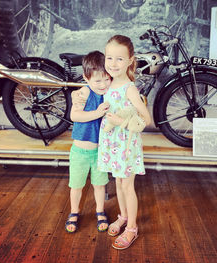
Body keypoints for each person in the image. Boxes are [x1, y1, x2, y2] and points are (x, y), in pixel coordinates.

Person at [97, 35, 152, 249]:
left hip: (126, 144)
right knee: (118, 183)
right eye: (109, 58)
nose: (113, 64)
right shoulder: (108, 84)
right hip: (113, 143)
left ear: (130, 60)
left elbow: (146, 119)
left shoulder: (129, 88)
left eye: (119, 59)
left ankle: (132, 227)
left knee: (128, 186)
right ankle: (123, 216)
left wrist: (121, 121)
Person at [66, 51, 111, 233]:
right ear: (86, 78)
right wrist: (98, 112)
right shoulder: (84, 92)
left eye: (107, 79)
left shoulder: (110, 93)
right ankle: (74, 211)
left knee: (99, 184)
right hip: (80, 151)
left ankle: (100, 210)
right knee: (76, 185)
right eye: (98, 81)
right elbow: (75, 115)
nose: (103, 85)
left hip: (100, 150)